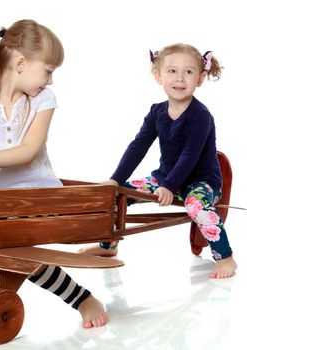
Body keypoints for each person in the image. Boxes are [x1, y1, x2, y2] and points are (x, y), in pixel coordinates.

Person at [0, 19, 107, 328]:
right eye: (48, 70)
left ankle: (82, 298)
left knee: (20, 254)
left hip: (33, 194)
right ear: (21, 63)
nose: (51, 80)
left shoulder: (41, 101)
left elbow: (28, 150)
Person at [79, 43, 237, 279]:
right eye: (172, 71)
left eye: (189, 72)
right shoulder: (157, 112)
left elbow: (189, 155)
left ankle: (225, 258)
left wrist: (170, 186)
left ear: (200, 79)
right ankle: (108, 246)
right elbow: (138, 146)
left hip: (201, 182)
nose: (180, 78)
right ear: (158, 76)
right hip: (165, 178)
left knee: (196, 204)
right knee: (115, 195)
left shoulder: (200, 116)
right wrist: (116, 179)